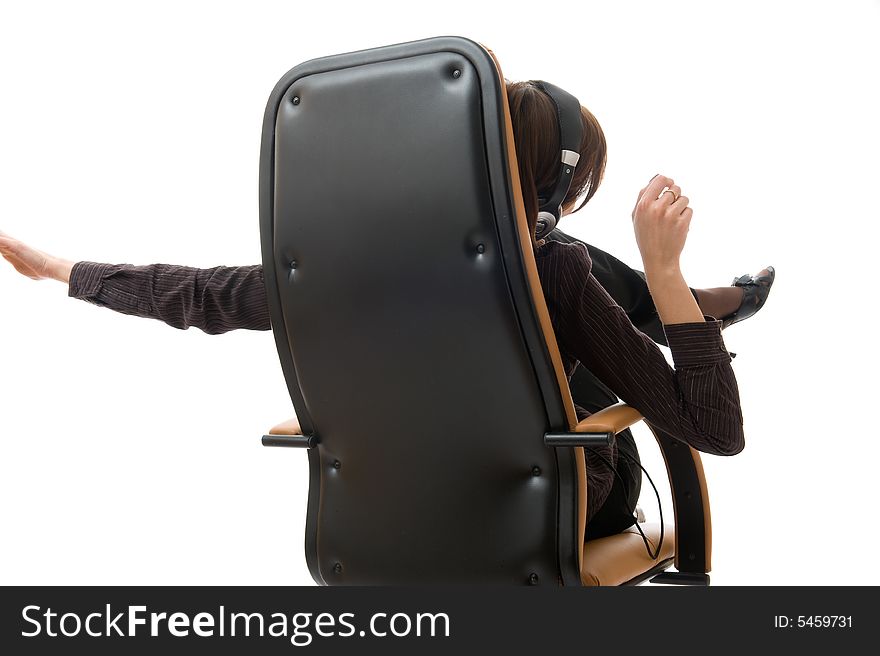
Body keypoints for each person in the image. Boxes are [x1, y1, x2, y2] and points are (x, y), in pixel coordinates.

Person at [0, 80, 774, 544]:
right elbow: (716, 430)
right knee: (577, 330)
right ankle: (676, 304)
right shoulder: (556, 265)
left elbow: (199, 294)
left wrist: (60, 270)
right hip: (558, 507)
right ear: (561, 186)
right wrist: (667, 274)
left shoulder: (337, 267)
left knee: (560, 305)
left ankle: (667, 307)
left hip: (388, 519)